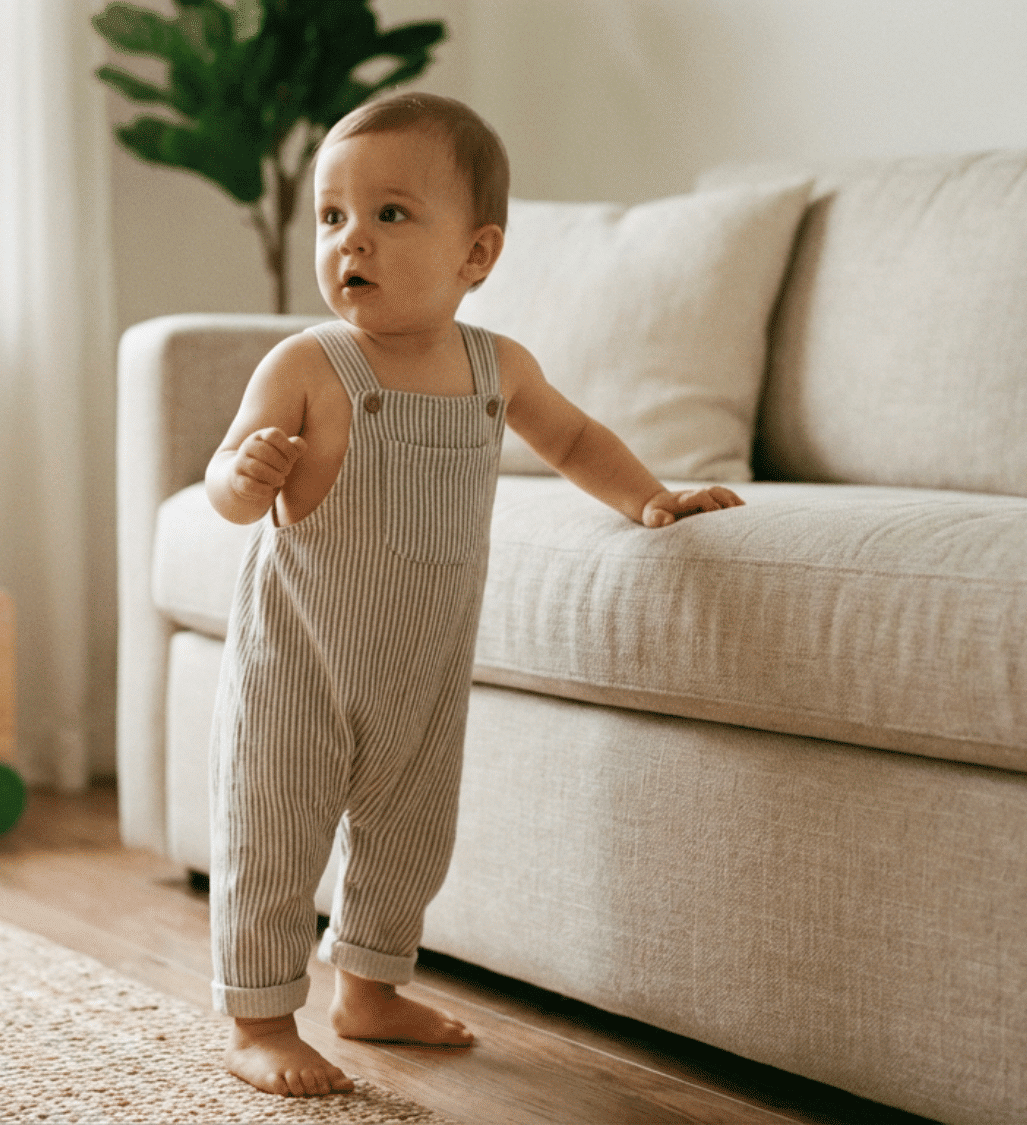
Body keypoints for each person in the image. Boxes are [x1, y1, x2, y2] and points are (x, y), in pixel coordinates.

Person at [203, 91, 744, 1098]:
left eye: (388, 214)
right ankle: (260, 1019)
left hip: (422, 667)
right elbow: (222, 482)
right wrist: (243, 480)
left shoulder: (495, 368)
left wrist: (649, 498)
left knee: (409, 836)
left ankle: (367, 990)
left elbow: (575, 440)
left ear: (476, 254)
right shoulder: (309, 365)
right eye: (330, 217)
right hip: (300, 670)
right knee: (271, 839)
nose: (348, 239)